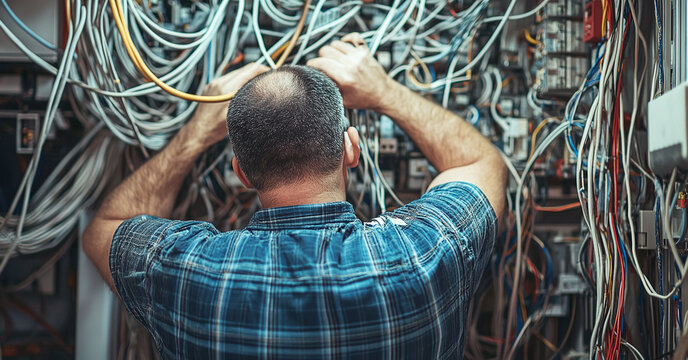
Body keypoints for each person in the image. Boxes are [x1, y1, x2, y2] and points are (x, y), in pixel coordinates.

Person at [83, 33, 506, 359]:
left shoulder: (183, 272)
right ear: (351, 149)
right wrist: (386, 94)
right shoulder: (426, 255)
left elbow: (104, 228)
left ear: (241, 173)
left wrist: (194, 135)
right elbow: (483, 164)